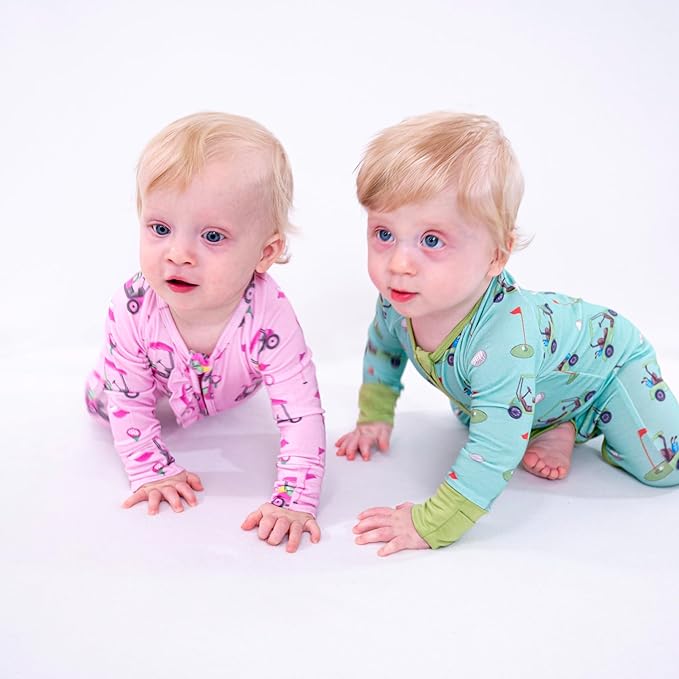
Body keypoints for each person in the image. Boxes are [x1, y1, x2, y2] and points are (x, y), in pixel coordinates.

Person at [335, 111, 679, 556]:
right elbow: (384, 349)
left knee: (663, 467)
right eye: (384, 233)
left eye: (432, 240)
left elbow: (494, 449)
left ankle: (582, 417)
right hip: (540, 383)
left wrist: (431, 523)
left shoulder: (501, 342)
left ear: (496, 256)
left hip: (611, 365)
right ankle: (555, 422)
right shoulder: (399, 301)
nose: (399, 264)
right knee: (478, 409)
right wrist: (374, 417)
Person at [86, 112, 325, 552]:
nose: (179, 254)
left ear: (265, 252)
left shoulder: (271, 317)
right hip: (137, 384)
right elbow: (130, 401)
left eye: (212, 237)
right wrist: (151, 470)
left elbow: (301, 413)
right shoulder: (133, 308)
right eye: (160, 229)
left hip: (227, 391)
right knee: (104, 403)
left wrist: (294, 499)